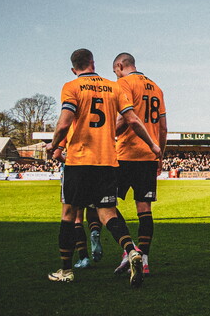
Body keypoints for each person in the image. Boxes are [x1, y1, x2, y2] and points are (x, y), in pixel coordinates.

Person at [45, 48, 161, 285]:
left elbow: (65, 123)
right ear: (93, 63)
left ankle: (66, 270)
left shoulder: (72, 87)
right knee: (107, 213)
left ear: (73, 69)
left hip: (79, 161)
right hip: (107, 162)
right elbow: (132, 120)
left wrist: (53, 145)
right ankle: (132, 251)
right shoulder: (113, 87)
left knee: (69, 214)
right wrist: (152, 144)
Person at [111, 52, 167, 276]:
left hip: (125, 154)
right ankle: (144, 261)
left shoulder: (123, 83)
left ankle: (129, 249)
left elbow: (126, 118)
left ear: (119, 65)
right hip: (149, 156)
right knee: (145, 209)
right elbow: (163, 127)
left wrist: (107, 134)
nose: (115, 75)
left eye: (115, 71)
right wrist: (160, 155)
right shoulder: (156, 88)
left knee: (103, 204)